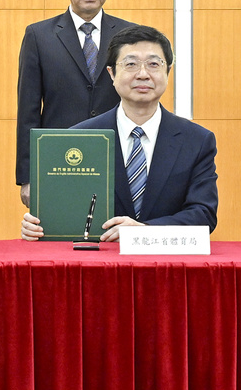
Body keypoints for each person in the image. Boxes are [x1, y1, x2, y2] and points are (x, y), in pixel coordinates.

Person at [21, 25, 217, 242]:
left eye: (153, 64)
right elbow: (62, 211)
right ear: (112, 73)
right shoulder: (79, 138)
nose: (143, 74)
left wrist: (144, 230)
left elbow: (204, 214)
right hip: (100, 258)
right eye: (131, 64)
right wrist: (38, 225)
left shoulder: (197, 140)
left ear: (168, 72)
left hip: (167, 259)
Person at [15, 0, 134, 206]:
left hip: (118, 160)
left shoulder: (129, 36)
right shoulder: (39, 36)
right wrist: (28, 176)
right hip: (59, 162)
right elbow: (28, 112)